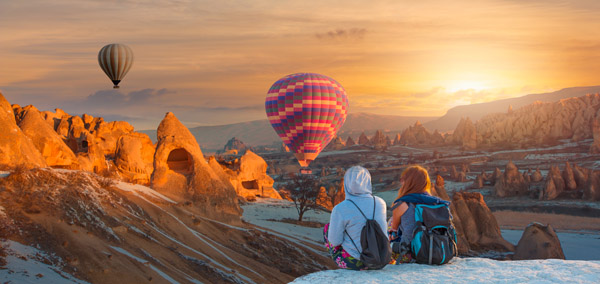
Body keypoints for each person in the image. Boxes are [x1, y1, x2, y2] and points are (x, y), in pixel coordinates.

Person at [323, 166, 387, 270]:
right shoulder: (380, 203)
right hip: (381, 258)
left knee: (328, 228)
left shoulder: (340, 208)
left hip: (355, 262)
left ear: (346, 184)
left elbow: (335, 242)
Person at [388, 165, 450, 264]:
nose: (401, 182)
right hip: (440, 251)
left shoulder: (402, 204)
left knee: (391, 222)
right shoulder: (437, 203)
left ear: (408, 182)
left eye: (402, 179)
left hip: (409, 254)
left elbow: (393, 231)